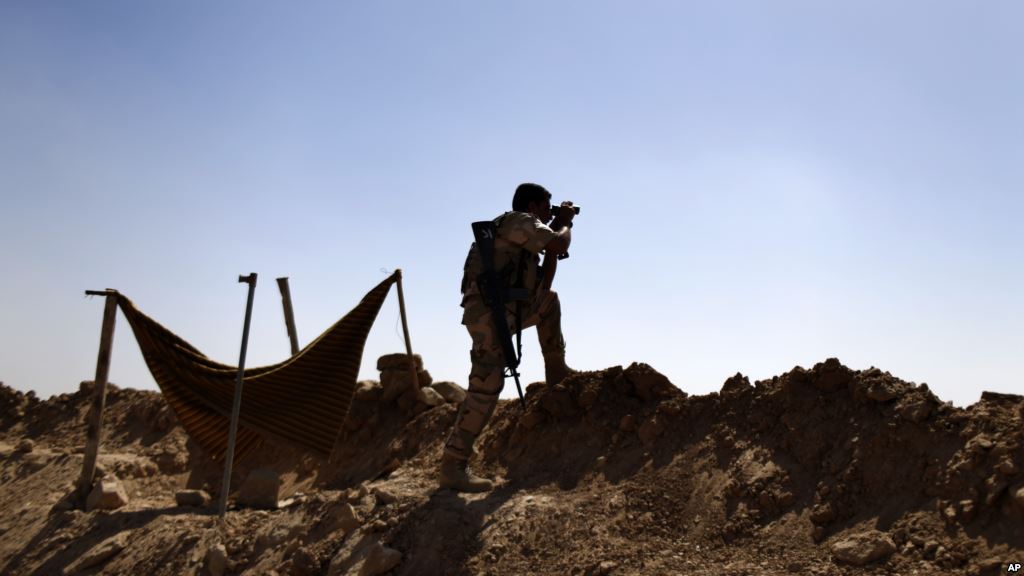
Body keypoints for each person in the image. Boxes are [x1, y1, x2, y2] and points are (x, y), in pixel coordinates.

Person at [439, 182, 578, 492]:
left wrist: (553, 242)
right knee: (487, 388)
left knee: (548, 302)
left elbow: (543, 285)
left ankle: (556, 370)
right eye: (546, 208)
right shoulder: (519, 220)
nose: (548, 214)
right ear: (532, 206)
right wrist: (565, 221)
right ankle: (453, 464)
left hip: (505, 310)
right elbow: (558, 243)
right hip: (491, 315)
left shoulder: (525, 233)